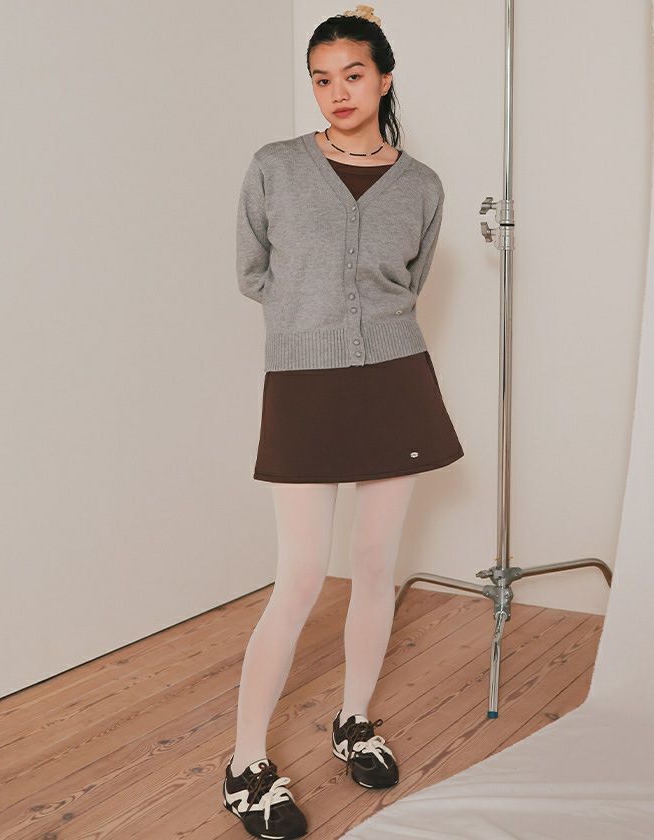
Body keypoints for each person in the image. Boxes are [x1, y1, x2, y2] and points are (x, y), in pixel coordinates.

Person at [223, 6, 464, 838]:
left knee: (372, 564)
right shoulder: (275, 167)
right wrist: (312, 322)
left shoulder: (423, 185)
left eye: (354, 75)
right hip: (303, 381)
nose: (337, 92)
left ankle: (354, 720)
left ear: (384, 79)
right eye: (322, 79)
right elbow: (254, 272)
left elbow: (408, 282)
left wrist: (359, 325)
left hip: (394, 379)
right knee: (300, 575)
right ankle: (245, 762)